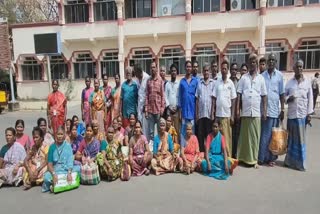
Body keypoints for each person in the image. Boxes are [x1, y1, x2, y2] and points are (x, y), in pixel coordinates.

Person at [236, 53, 267, 168]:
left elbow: (264, 96)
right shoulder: (244, 78)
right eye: (251, 62)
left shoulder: (261, 79)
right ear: (248, 64)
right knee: (244, 137)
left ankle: (254, 160)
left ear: (257, 64)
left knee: (255, 137)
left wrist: (264, 111)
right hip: (245, 112)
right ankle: (242, 158)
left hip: (256, 113)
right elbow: (239, 95)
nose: (253, 64)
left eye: (255, 62)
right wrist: (238, 111)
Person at [284, 59, 313, 171]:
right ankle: (289, 161)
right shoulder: (290, 83)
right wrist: (288, 98)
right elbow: (284, 97)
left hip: (302, 115)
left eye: (301, 67)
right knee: (291, 140)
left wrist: (309, 114)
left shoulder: (307, 82)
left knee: (301, 140)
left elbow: (310, 99)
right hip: (291, 115)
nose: (299, 69)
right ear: (294, 69)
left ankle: (300, 163)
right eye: (297, 67)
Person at [259, 53, 285, 166]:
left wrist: (282, 109)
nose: (271, 62)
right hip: (264, 110)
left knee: (273, 136)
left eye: (273, 60)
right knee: (264, 135)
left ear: (275, 62)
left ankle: (272, 158)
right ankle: (261, 157)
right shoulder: (262, 76)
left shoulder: (279, 76)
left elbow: (282, 94)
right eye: (269, 60)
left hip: (274, 110)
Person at [42, 126, 80, 192]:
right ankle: (62, 184)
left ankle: (56, 185)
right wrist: (53, 174)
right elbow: (50, 164)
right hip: (56, 170)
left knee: (79, 169)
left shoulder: (68, 146)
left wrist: (69, 173)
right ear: (55, 135)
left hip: (66, 170)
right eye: (58, 134)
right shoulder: (52, 147)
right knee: (46, 177)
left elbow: (70, 161)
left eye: (61, 134)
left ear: (64, 135)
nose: (60, 136)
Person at [213, 60, 237, 156]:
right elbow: (214, 98)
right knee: (219, 139)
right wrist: (213, 114)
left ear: (228, 71)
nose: (223, 70)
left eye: (225, 69)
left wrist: (232, 115)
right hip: (218, 115)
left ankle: (228, 159)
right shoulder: (217, 83)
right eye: (222, 69)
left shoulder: (230, 83)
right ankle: (221, 159)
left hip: (227, 115)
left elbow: (234, 99)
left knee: (227, 139)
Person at [196, 63, 215, 152]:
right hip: (200, 114)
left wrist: (212, 113)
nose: (206, 72)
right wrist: (196, 114)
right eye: (205, 71)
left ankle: (209, 153)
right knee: (200, 135)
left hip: (209, 114)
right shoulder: (199, 84)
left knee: (209, 135)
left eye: (207, 70)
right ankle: (202, 154)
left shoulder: (213, 83)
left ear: (210, 72)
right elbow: (197, 99)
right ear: (202, 72)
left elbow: (214, 99)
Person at [145, 61, 165, 141]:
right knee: (151, 132)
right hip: (150, 110)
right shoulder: (148, 81)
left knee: (160, 131)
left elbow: (163, 96)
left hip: (158, 110)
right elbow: (147, 95)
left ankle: (159, 148)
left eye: (154, 67)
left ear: (156, 68)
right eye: (151, 67)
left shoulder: (160, 81)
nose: (152, 69)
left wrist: (162, 108)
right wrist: (146, 109)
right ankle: (153, 149)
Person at [178, 60, 198, 138]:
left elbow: (197, 98)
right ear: (185, 68)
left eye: (190, 67)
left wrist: (196, 113)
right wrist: (180, 111)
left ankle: (192, 149)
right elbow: (179, 97)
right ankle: (183, 149)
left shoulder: (195, 81)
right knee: (183, 132)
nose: (189, 68)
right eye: (187, 66)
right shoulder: (182, 82)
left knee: (192, 132)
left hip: (192, 111)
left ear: (192, 68)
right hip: (184, 112)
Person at [134, 64, 150, 137]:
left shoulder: (147, 78)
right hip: (139, 107)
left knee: (146, 128)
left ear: (139, 72)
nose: (135, 75)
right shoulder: (137, 79)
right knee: (140, 126)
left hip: (145, 108)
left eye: (136, 73)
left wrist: (146, 106)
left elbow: (148, 94)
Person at [165, 64, 180, 135]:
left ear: (177, 72)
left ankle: (177, 145)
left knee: (177, 130)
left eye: (175, 71)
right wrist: (169, 107)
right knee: (168, 130)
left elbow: (179, 97)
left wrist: (177, 107)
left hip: (177, 111)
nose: (173, 72)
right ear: (170, 72)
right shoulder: (167, 84)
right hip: (169, 111)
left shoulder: (179, 84)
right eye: (172, 71)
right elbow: (165, 97)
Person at [230, 63, 240, 158]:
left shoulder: (239, 82)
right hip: (227, 112)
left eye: (235, 69)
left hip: (237, 112)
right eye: (232, 69)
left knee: (236, 135)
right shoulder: (227, 82)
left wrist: (237, 110)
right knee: (228, 135)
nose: (234, 71)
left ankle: (234, 154)